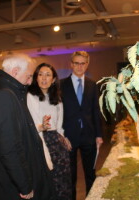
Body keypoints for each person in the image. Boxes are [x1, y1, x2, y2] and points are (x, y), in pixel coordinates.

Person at [0, 54, 55, 200]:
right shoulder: (4, 95)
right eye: (29, 76)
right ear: (15, 72)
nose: (30, 81)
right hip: (4, 181)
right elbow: (9, 146)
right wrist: (24, 185)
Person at [60, 51, 103, 199]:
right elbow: (58, 111)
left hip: (89, 135)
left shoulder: (93, 85)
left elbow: (96, 111)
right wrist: (61, 134)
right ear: (71, 64)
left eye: (83, 63)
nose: (79, 66)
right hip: (68, 136)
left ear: (87, 64)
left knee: (90, 173)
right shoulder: (61, 85)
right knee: (70, 175)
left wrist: (99, 134)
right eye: (76, 63)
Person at [27, 63, 72, 199]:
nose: (44, 78)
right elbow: (31, 125)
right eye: (40, 74)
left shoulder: (56, 98)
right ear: (36, 78)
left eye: (48, 75)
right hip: (41, 141)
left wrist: (63, 137)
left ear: (53, 80)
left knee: (63, 181)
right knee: (49, 183)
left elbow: (59, 125)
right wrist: (43, 126)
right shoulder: (31, 96)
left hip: (57, 143)